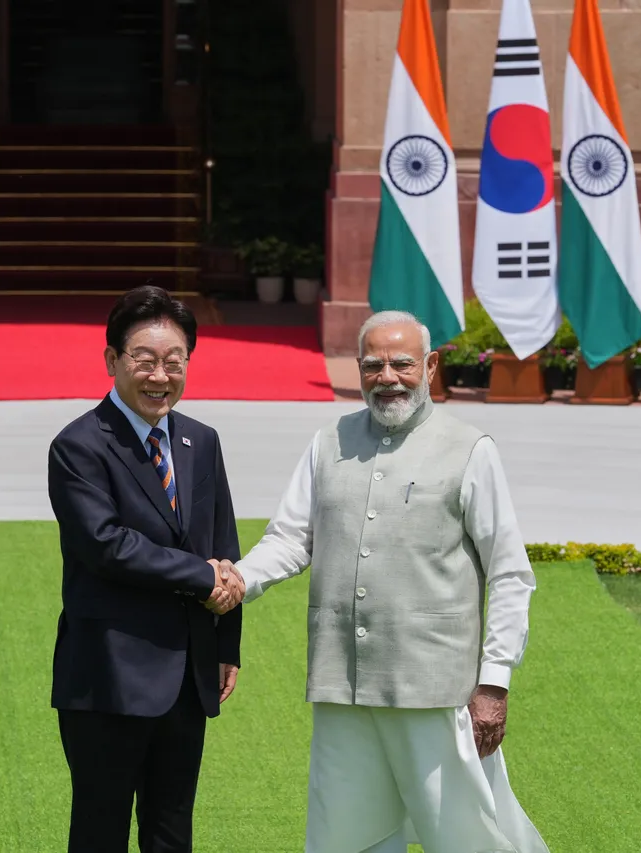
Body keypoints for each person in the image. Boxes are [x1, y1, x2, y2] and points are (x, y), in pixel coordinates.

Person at [220, 310, 550, 853]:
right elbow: (289, 538)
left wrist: (494, 681)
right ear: (358, 369)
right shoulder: (329, 442)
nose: (388, 377)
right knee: (344, 837)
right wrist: (237, 580)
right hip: (341, 684)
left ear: (431, 366)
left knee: (468, 835)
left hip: (435, 686)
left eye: (402, 364)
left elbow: (511, 572)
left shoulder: (470, 448)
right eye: (374, 366)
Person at [47, 285, 246, 853]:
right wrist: (200, 577)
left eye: (174, 361)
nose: (160, 376)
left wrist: (226, 644)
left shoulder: (201, 441)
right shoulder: (79, 445)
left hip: (187, 675)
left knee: (171, 829)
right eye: (144, 360)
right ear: (112, 361)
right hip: (109, 677)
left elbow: (222, 544)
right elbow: (105, 544)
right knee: (99, 830)